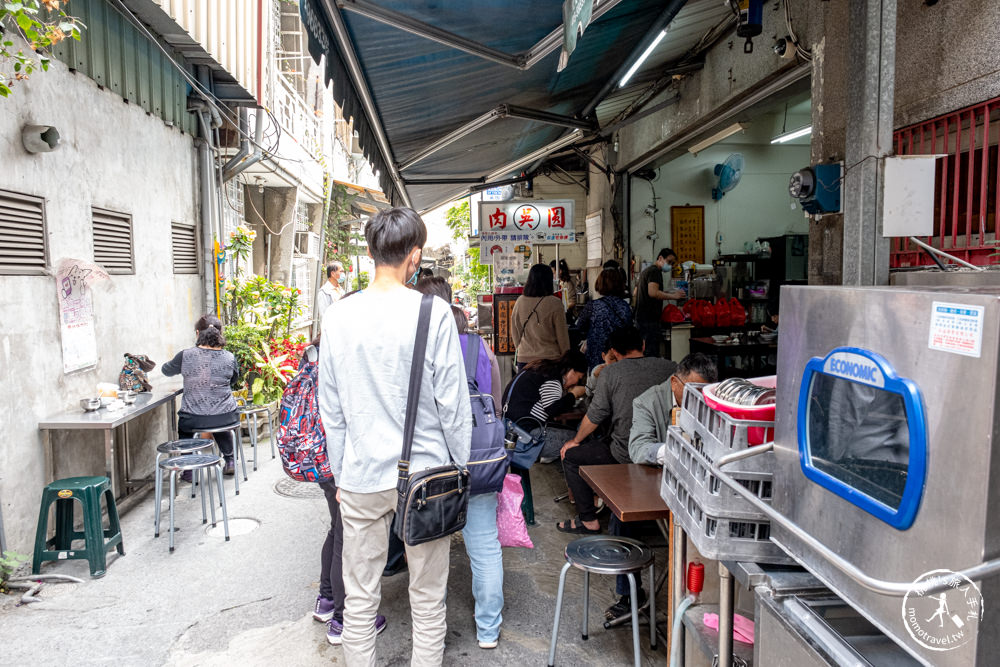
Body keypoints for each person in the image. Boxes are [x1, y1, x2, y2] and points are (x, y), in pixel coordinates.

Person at [318, 207, 472, 666]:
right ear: (416, 257)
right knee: (427, 599)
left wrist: (341, 475)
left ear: (369, 253)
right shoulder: (436, 312)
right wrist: (459, 468)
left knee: (361, 600)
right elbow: (454, 405)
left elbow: (333, 409)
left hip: (362, 476)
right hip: (427, 477)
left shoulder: (339, 317)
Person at [416, 275, 505, 650]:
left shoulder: (419, 348)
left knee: (428, 550)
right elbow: (496, 405)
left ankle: (430, 635)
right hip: (479, 457)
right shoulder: (480, 348)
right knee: (485, 547)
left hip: (433, 461)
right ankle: (488, 629)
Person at [600, 353, 718, 621]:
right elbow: (638, 448)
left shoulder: (711, 401)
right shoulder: (647, 401)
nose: (700, 397)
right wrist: (675, 451)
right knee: (621, 520)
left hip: (700, 483)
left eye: (705, 391)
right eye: (694, 390)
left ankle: (707, 595)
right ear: (675, 383)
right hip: (657, 478)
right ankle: (629, 594)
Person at [555, 326, 674, 534]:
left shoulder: (610, 372)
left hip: (626, 452)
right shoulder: (671, 367)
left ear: (614, 353)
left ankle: (589, 520)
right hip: (667, 450)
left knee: (572, 457)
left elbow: (595, 415)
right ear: (643, 345)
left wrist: (575, 440)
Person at [162, 314, 240, 476]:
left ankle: (188, 470)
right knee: (219, 418)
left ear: (198, 333)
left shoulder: (185, 355)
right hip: (226, 416)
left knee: (185, 428)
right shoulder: (229, 357)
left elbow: (166, 370)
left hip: (193, 418)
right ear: (220, 333)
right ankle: (230, 459)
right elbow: (233, 380)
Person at [501, 350, 589, 464]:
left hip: (510, 429)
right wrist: (573, 395)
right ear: (571, 370)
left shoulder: (543, 368)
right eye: (579, 377)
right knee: (579, 440)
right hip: (525, 435)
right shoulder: (553, 377)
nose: (577, 383)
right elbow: (553, 409)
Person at [510, 263, 570, 372]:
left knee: (527, 389)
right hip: (550, 360)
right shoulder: (555, 303)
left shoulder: (520, 301)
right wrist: (566, 358)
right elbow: (562, 337)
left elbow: (515, 331)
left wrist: (522, 348)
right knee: (549, 389)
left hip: (524, 359)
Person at [576, 268, 632, 371]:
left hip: (597, 358)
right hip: (619, 357)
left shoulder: (593, 306)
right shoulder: (625, 307)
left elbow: (579, 327)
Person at [634, 248, 685, 358]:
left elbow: (636, 292)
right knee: (650, 355)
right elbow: (653, 293)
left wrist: (667, 292)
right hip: (649, 321)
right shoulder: (655, 271)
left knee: (644, 354)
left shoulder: (647, 271)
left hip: (642, 320)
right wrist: (673, 296)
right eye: (669, 262)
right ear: (660, 258)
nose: (670, 266)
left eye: (672, 263)